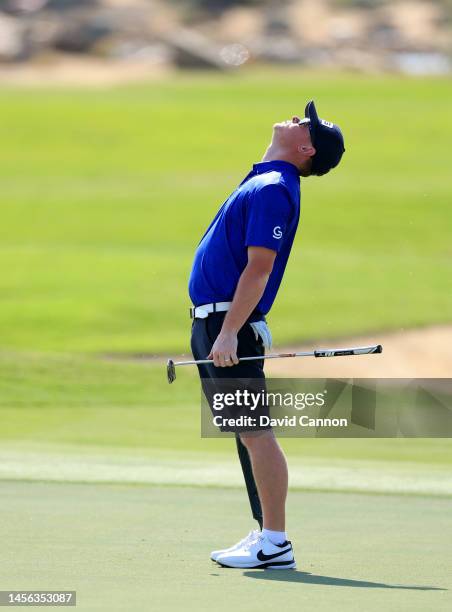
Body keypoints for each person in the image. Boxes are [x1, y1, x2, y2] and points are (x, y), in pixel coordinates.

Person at [188, 101, 345, 569]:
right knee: (245, 431)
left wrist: (229, 332)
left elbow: (260, 268)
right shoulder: (266, 180)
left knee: (256, 431)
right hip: (214, 322)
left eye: (306, 124)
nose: (297, 119)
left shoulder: (275, 187)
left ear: (305, 148)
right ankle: (264, 534)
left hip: (226, 324)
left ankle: (275, 542)